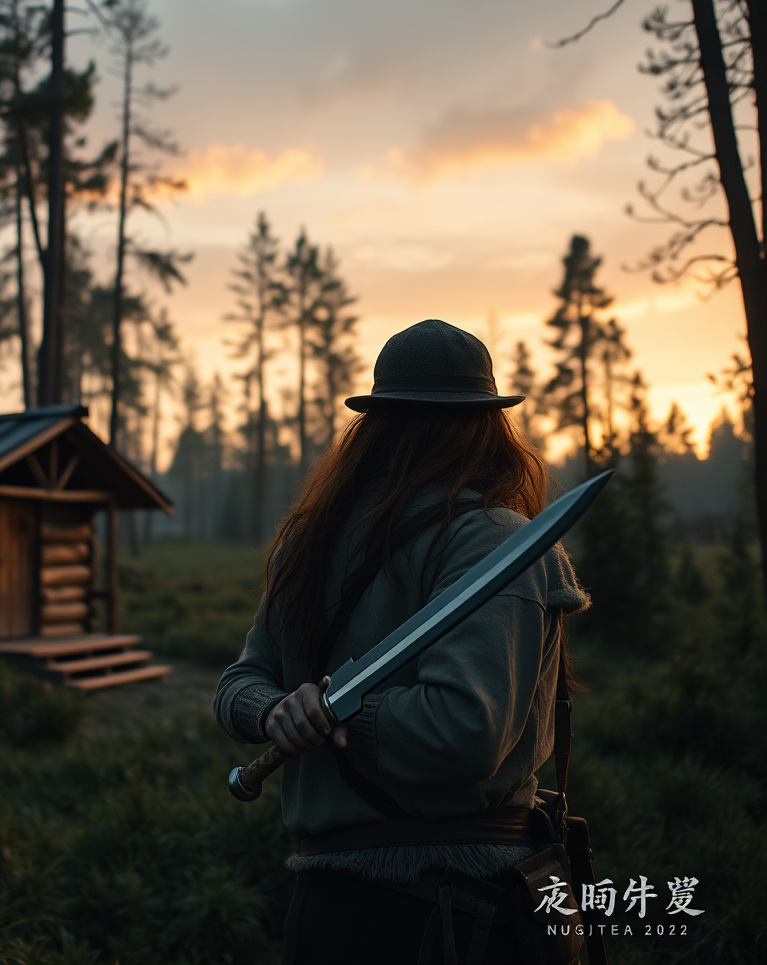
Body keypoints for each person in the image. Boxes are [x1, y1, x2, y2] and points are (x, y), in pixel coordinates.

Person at [213, 319, 589, 965]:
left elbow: (236, 688)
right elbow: (462, 731)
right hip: (453, 913)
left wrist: (287, 711)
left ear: (378, 427)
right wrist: (305, 716)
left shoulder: (312, 540)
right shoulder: (493, 540)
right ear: (485, 428)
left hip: (324, 912)